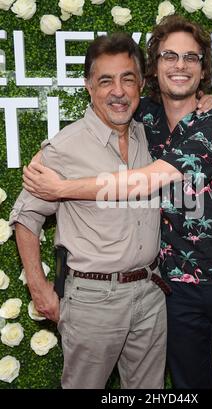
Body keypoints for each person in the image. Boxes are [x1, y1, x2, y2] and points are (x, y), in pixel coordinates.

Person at [22, 16, 212, 389]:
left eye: (190, 58)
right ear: (153, 69)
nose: (180, 66)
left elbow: (148, 180)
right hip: (174, 290)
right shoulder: (143, 117)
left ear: (203, 68)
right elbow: (104, 113)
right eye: (169, 56)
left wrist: (63, 187)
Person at [9, 33, 171, 389]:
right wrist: (39, 289)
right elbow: (26, 217)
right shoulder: (65, 147)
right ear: (88, 87)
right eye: (105, 80)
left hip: (150, 293)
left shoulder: (151, 136)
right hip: (93, 302)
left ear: (141, 84)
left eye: (127, 78)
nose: (118, 91)